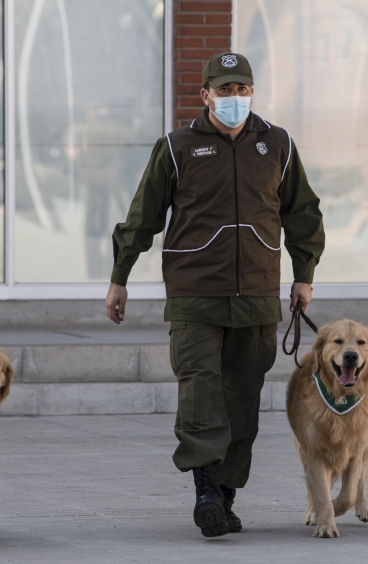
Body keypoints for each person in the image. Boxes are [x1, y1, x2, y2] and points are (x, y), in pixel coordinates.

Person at [105, 52, 324, 537]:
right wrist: (120, 276)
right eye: (224, 90)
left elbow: (303, 213)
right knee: (201, 392)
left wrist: (303, 275)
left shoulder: (278, 144)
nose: (234, 98)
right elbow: (142, 216)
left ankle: (224, 496)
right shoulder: (176, 147)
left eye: (242, 89)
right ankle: (205, 490)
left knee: (242, 400)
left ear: (252, 92)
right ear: (205, 95)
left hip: (257, 296)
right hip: (194, 294)